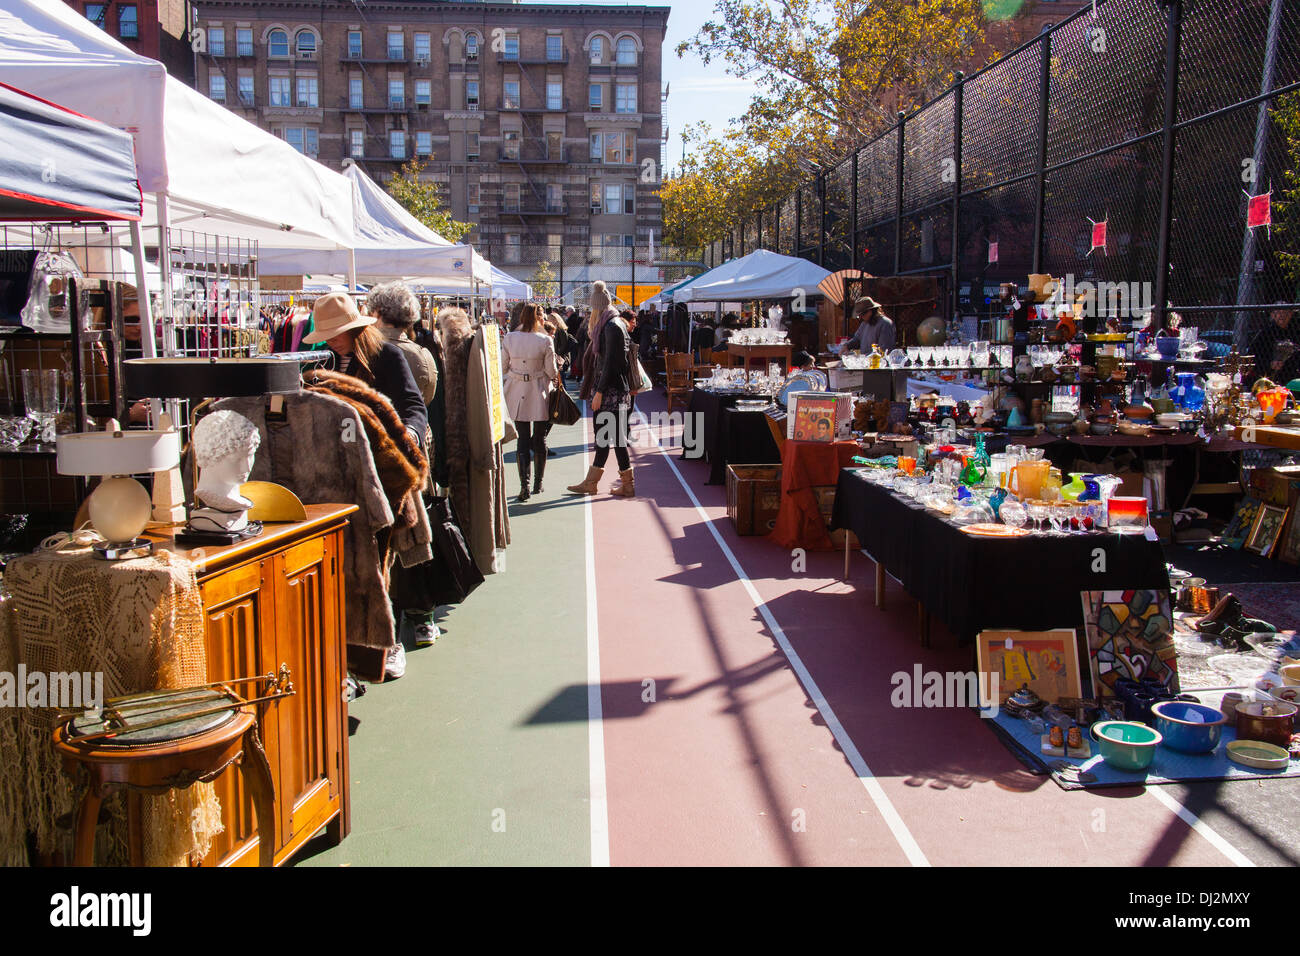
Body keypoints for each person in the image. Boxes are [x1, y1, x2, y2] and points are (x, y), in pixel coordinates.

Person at [304, 292, 427, 679]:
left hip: (380, 472)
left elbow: (414, 406)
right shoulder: (317, 361)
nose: (332, 339)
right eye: (326, 334)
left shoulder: (385, 356)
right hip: (332, 477)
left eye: (337, 333)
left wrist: (404, 438)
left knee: (380, 558)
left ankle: (389, 643)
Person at [567, 280, 635, 497]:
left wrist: (599, 392)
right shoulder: (613, 324)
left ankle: (597, 483)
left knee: (606, 438)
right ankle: (623, 484)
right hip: (615, 390)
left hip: (610, 391)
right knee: (612, 438)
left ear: (598, 306)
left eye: (592, 307)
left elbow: (611, 363)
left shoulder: (611, 326)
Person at [502, 303, 558, 501]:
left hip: (517, 391)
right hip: (539, 390)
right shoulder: (545, 340)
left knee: (522, 439)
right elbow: (551, 371)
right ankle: (537, 483)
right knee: (540, 438)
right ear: (537, 318)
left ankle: (523, 485)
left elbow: (502, 366)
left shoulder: (509, 338)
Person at [1248, 306, 1298, 384]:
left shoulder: (1296, 332)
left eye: (1285, 312)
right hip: (1268, 375)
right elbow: (1253, 356)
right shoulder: (1265, 333)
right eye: (1278, 312)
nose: (1282, 315)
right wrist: (1269, 364)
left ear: (1291, 314)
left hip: (1292, 375)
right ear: (1272, 315)